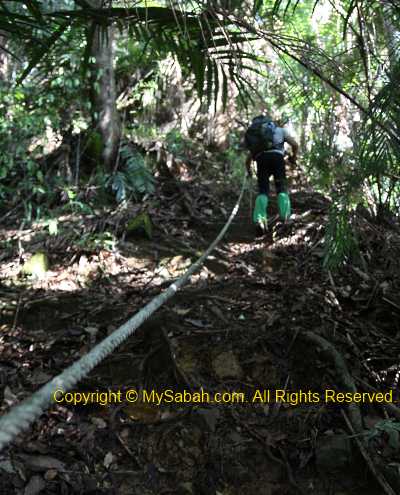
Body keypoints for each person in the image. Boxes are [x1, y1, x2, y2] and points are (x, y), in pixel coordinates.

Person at [244, 115, 299, 235]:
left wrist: (249, 172)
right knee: (281, 188)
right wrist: (293, 158)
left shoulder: (257, 138)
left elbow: (248, 160)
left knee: (263, 190)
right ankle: (285, 218)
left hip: (261, 159)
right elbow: (295, 144)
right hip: (277, 158)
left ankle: (259, 220)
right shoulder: (280, 130)